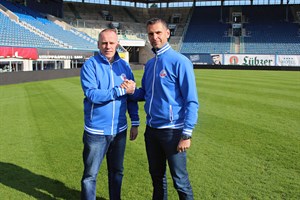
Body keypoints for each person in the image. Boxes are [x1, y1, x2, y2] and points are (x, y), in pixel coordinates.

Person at [123, 18, 199, 200]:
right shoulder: (150, 64)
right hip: (152, 132)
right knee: (156, 178)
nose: (154, 37)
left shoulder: (180, 62)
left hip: (173, 132)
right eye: (151, 34)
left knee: (180, 180)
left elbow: (192, 101)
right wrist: (131, 91)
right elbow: (146, 94)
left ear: (167, 33)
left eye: (158, 32)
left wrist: (186, 134)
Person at [80, 28, 139, 200]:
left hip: (119, 130)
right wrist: (118, 91)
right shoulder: (90, 65)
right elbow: (92, 94)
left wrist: (135, 122)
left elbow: (131, 95)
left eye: (111, 43)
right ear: (98, 44)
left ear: (117, 44)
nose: (108, 46)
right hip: (96, 131)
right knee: (90, 175)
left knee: (117, 172)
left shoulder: (124, 66)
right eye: (104, 43)